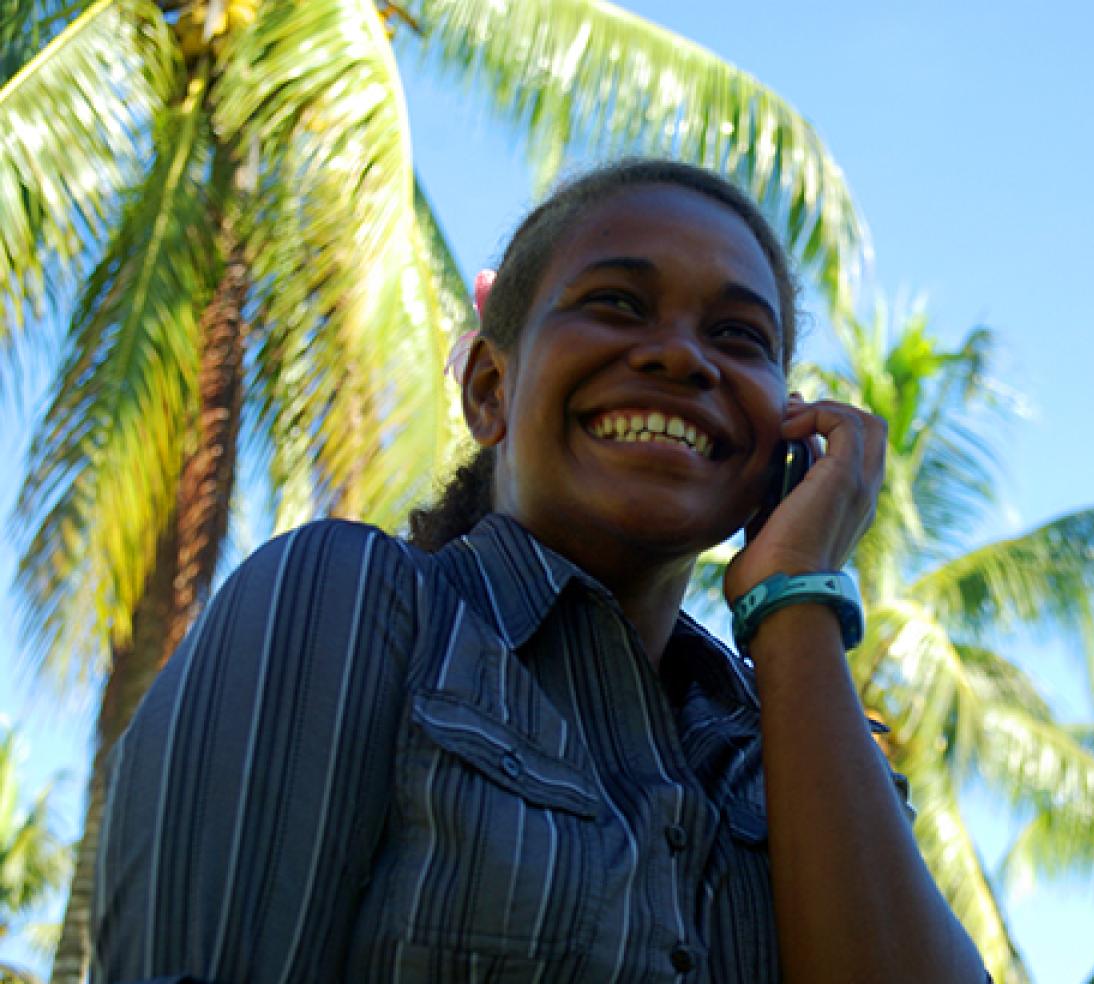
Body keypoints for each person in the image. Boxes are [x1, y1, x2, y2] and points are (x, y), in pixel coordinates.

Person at [92, 159, 990, 983]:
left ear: (782, 437)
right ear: (489, 389)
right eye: (617, 304)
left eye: (738, 334)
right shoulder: (353, 601)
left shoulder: (788, 751)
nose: (682, 355)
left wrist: (795, 596)